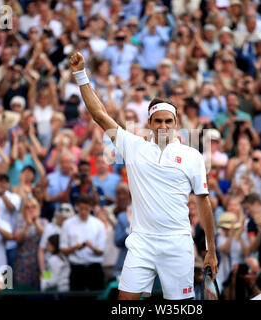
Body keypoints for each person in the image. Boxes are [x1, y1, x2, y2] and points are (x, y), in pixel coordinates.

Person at [68, 52, 217, 300]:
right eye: (157, 121)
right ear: (149, 122)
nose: (163, 126)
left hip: (178, 243)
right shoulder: (133, 145)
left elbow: (203, 202)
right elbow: (99, 115)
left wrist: (210, 250)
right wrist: (81, 74)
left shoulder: (192, 157)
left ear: (175, 122)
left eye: (168, 121)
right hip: (141, 242)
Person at [60, 194, 106, 291]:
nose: (84, 211)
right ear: (77, 207)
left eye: (86, 208)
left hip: (94, 269)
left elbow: (101, 251)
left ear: (91, 208)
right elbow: (63, 249)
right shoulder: (68, 224)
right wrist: (75, 247)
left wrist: (91, 247)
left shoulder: (98, 224)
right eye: (81, 208)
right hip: (77, 269)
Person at [13, 197, 46, 290]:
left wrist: (35, 222)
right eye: (27, 207)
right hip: (23, 264)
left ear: (38, 208)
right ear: (23, 210)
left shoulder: (44, 222)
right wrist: (27, 225)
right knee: (23, 291)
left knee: (41, 290)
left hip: (41, 264)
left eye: (33, 207)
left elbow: (45, 236)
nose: (31, 209)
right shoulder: (19, 223)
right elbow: (18, 239)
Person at [38, 203, 75, 277]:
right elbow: (41, 250)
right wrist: (43, 271)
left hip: (68, 267)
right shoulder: (49, 228)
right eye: (61, 217)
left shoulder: (74, 229)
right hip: (50, 266)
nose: (63, 220)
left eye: (66, 218)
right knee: (47, 284)